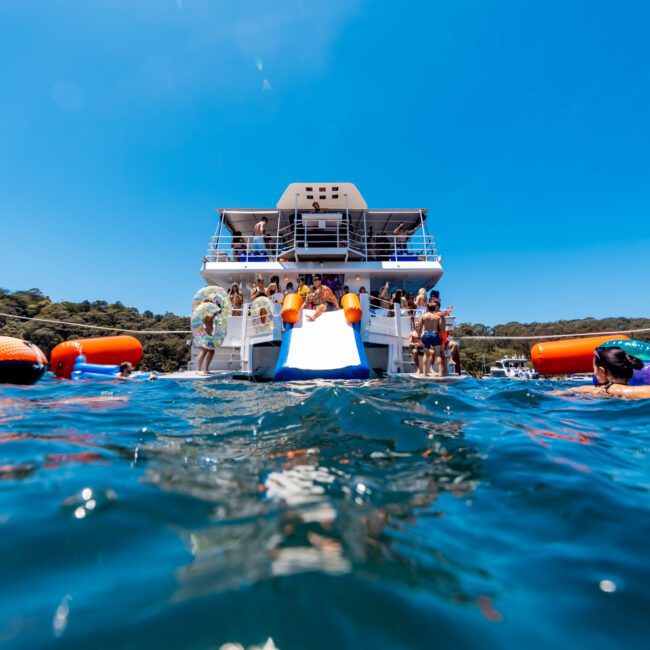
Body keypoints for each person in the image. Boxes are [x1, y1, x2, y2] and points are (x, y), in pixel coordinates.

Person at [557, 347, 650, 399]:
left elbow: (557, 394)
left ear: (601, 371)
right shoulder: (637, 389)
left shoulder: (602, 390)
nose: (594, 373)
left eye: (594, 369)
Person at [417, 301, 446, 377]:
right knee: (438, 355)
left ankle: (424, 374)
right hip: (435, 335)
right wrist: (442, 336)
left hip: (426, 335)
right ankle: (440, 373)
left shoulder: (423, 316)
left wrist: (419, 337)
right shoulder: (437, 317)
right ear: (434, 308)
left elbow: (420, 329)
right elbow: (441, 328)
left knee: (425, 355)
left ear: (427, 308)